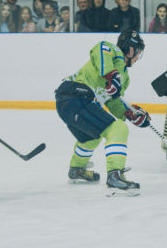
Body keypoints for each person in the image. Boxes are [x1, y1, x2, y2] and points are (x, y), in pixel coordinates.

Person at [54, 30, 149, 195]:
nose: (137, 59)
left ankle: (77, 168)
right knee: (118, 129)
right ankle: (114, 175)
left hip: (70, 103)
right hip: (76, 94)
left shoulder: (124, 77)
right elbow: (99, 50)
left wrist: (130, 113)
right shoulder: (111, 50)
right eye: (138, 54)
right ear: (131, 50)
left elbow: (112, 100)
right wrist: (111, 74)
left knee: (91, 137)